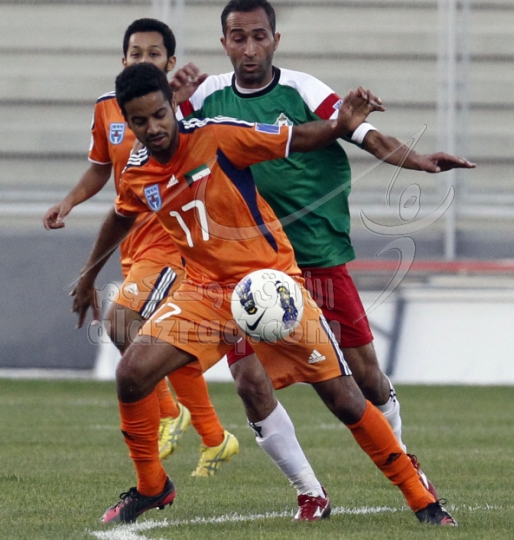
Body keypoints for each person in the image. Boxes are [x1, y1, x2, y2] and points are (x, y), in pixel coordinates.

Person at [73, 61, 457, 526]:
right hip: (205, 291)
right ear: (128, 121)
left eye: (159, 114)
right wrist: (89, 275)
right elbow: (121, 214)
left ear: (172, 106)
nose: (153, 127)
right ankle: (153, 487)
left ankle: (422, 499)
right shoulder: (137, 170)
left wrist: (339, 125)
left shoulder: (217, 136)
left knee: (343, 397)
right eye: (140, 121)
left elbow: (295, 138)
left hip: (271, 285)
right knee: (132, 373)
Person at [176, 0, 476, 495]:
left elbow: (361, 131)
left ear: (275, 39)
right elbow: (159, 135)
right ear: (223, 42)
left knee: (365, 376)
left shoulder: (303, 89)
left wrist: (418, 160)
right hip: (245, 267)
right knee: (249, 381)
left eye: (258, 37)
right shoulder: (205, 96)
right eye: (238, 38)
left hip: (314, 254)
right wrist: (171, 94)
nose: (249, 48)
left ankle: (403, 457)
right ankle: (309, 493)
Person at [42, 18, 238, 476]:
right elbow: (101, 169)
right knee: (163, 342)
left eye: (153, 54)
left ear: (170, 62)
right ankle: (215, 438)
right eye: (136, 53)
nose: (143, 60)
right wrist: (69, 202)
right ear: (123, 59)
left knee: (121, 324)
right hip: (134, 246)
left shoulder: (181, 110)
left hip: (173, 243)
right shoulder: (107, 109)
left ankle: (170, 413)